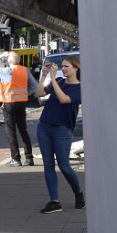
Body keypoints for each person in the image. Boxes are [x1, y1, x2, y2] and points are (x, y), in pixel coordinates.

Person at [33, 55, 84, 213]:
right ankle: (54, 201)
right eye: (62, 66)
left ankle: (78, 193)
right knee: (48, 165)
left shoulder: (79, 88)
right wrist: (43, 76)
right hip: (44, 126)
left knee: (64, 166)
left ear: (76, 68)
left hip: (62, 129)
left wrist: (53, 78)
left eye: (67, 66)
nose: (63, 69)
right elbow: (39, 94)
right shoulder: (60, 81)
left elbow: (64, 100)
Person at [0, 51, 39, 166]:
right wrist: (25, 94)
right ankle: (29, 158)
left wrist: (1, 56)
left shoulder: (7, 70)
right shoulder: (25, 70)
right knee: (23, 130)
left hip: (9, 104)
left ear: (10, 61)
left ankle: (16, 159)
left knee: (11, 132)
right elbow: (34, 86)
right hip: (21, 103)